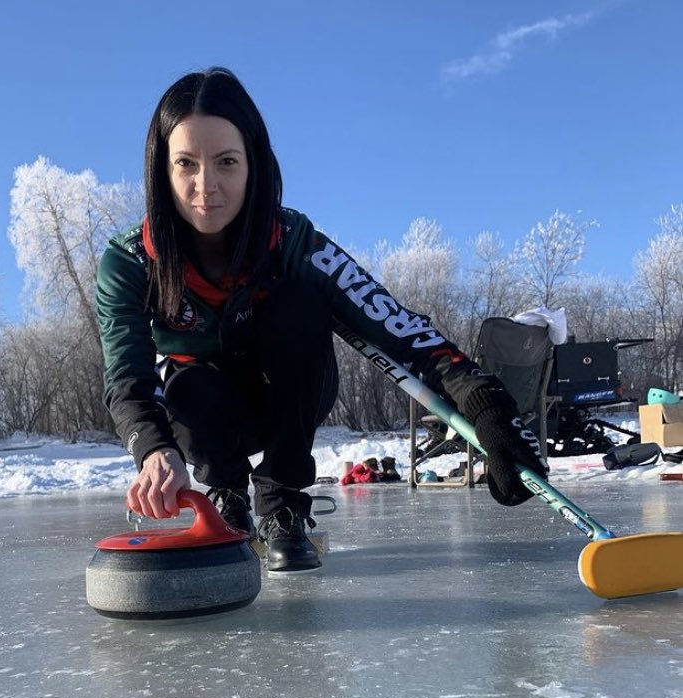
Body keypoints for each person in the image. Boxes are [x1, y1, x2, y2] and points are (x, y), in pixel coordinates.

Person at [97, 67, 547, 573]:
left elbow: (393, 323)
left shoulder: (291, 239)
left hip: (285, 399)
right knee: (189, 387)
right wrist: (154, 449)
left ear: (253, 166)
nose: (207, 186)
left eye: (226, 162)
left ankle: (283, 498)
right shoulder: (131, 261)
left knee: (300, 306)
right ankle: (228, 494)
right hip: (202, 416)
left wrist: (484, 402)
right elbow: (128, 379)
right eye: (186, 164)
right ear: (162, 169)